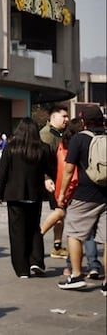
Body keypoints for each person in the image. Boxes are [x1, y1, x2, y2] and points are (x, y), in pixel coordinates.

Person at [0, 118, 56, 278]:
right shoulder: (43, 148)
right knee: (34, 229)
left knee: (17, 232)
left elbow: (3, 172)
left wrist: (0, 193)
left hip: (15, 195)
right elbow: (50, 170)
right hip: (34, 195)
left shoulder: (11, 148)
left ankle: (22, 268)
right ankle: (36, 260)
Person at [57, 106, 107, 293]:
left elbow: (69, 170)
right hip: (106, 196)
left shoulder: (79, 139)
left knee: (74, 233)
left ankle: (76, 275)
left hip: (85, 195)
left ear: (84, 122)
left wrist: (62, 193)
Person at [40, 104, 71, 258]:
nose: (67, 119)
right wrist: (46, 178)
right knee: (60, 211)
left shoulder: (60, 133)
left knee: (61, 212)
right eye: (63, 116)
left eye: (67, 116)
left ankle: (57, 246)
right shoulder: (46, 135)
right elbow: (41, 160)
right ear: (53, 117)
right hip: (52, 180)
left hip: (59, 179)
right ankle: (37, 237)